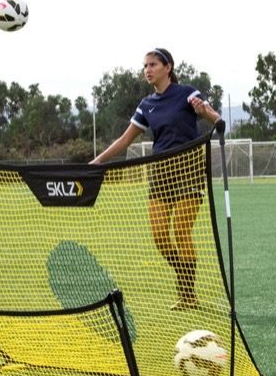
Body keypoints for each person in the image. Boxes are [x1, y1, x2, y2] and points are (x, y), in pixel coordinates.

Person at [92, 48, 221, 309]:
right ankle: (184, 277)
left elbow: (214, 117)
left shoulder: (187, 93)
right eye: (145, 66)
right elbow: (125, 139)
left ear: (168, 67)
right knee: (160, 237)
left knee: (181, 232)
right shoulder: (146, 104)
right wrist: (97, 162)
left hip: (189, 167)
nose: (147, 70)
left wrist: (204, 111)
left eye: (153, 64)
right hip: (160, 170)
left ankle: (187, 294)